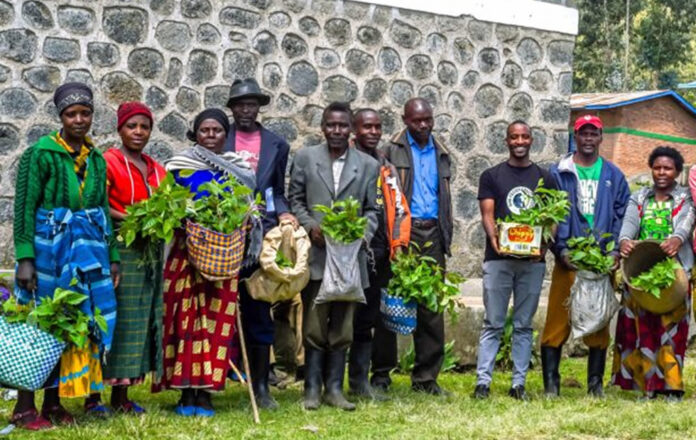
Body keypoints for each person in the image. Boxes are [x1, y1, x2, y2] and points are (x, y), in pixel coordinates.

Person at [11, 82, 119, 430]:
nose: (78, 119)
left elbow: (101, 210)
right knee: (41, 322)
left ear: (92, 116)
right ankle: (25, 406)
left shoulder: (97, 159)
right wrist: (26, 257)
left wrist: (112, 257)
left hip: (86, 254)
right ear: (60, 116)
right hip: (48, 252)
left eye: (85, 113)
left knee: (69, 323)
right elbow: (25, 207)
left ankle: (53, 403)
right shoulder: (40, 154)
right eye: (71, 114)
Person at [157, 108, 255, 417]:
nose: (210, 136)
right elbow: (167, 208)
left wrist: (242, 222)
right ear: (195, 134)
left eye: (217, 131)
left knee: (216, 324)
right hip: (186, 256)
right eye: (204, 131)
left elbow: (247, 208)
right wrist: (185, 222)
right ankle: (186, 392)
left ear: (226, 135)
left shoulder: (239, 170)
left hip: (223, 258)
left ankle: (207, 394)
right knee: (184, 321)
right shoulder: (178, 168)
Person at [288, 102, 380, 411]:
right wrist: (310, 225)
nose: (336, 131)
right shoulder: (305, 158)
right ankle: (312, 389)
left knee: (343, 325)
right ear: (322, 127)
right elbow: (296, 199)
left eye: (342, 126)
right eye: (331, 125)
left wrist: (361, 236)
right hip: (317, 255)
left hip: (349, 260)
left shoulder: (367, 165)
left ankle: (335, 389)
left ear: (351, 129)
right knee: (314, 323)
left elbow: (372, 209)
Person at [541, 114, 630, 397]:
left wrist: (614, 249)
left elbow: (622, 215)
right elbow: (551, 216)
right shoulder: (559, 172)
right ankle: (551, 385)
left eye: (594, 134)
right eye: (583, 134)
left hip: (601, 260)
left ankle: (595, 386)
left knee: (599, 319)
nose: (588, 139)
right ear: (575, 137)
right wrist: (560, 249)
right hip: (568, 258)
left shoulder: (613, 175)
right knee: (558, 317)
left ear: (601, 137)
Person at [223, 78, 296, 409]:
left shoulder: (276, 145)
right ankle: (205, 384)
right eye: (240, 105)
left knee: (257, 309)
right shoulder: (216, 137)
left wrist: (284, 215)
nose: (245, 110)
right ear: (232, 109)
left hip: (259, 238)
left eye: (251, 104)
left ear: (259, 107)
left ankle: (261, 383)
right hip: (221, 234)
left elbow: (276, 192)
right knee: (216, 308)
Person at [472, 121, 557, 401]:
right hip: (498, 260)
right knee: (493, 322)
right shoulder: (491, 176)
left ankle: (518, 384)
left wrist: (543, 246)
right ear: (506, 141)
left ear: (532, 140)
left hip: (532, 263)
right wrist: (494, 239)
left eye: (524, 136)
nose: (519, 141)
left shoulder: (546, 178)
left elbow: (552, 217)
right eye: (514, 137)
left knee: (523, 324)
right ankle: (483, 382)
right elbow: (488, 213)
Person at [91, 102, 165, 414]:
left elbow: (165, 205)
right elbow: (99, 202)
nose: (138, 132)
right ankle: (92, 397)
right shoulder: (108, 161)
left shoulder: (156, 168)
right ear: (120, 129)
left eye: (144, 126)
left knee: (135, 320)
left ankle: (121, 396)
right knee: (109, 318)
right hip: (117, 248)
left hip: (146, 254)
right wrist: (132, 219)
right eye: (132, 126)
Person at [380, 98, 454, 395]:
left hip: (432, 233)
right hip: (401, 234)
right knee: (392, 302)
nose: (423, 125)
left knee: (431, 306)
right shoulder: (390, 150)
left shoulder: (442, 151)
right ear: (405, 120)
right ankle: (381, 375)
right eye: (416, 121)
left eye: (427, 119)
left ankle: (425, 378)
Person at [613, 146, 694, 401]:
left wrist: (677, 239)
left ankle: (671, 387)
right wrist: (625, 240)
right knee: (642, 332)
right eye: (657, 167)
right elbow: (629, 223)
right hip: (643, 273)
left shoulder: (685, 198)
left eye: (668, 168)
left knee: (671, 332)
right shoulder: (640, 198)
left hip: (674, 274)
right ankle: (646, 387)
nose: (661, 172)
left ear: (677, 172)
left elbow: (686, 221)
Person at [348, 109, 410, 400]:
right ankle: (340, 378)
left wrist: (398, 243)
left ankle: (370, 379)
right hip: (351, 251)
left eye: (377, 127)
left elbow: (398, 206)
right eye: (366, 127)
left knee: (374, 315)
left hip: (381, 252)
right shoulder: (347, 162)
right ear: (354, 130)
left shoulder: (386, 166)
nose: (373, 132)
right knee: (349, 316)